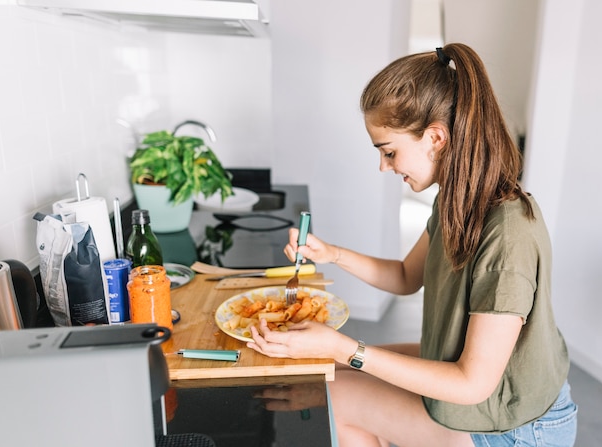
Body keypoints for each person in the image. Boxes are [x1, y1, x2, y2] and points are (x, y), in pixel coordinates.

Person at [247, 43, 578, 447]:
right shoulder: (456, 200)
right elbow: (406, 277)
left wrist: (342, 346)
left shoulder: (507, 235)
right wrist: (331, 254)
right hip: (482, 398)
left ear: (436, 138)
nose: (384, 166)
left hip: (515, 426)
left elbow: (472, 384)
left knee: (336, 393)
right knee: (334, 371)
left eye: (389, 152)